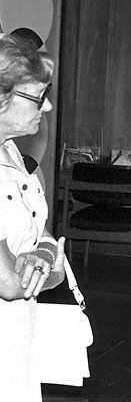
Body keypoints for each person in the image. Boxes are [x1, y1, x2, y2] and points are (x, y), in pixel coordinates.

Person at [0, 34, 66, 401]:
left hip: (17, 331)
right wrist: (51, 269)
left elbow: (41, 231)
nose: (48, 106)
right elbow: (10, 283)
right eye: (38, 97)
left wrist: (43, 253)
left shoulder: (11, 153)